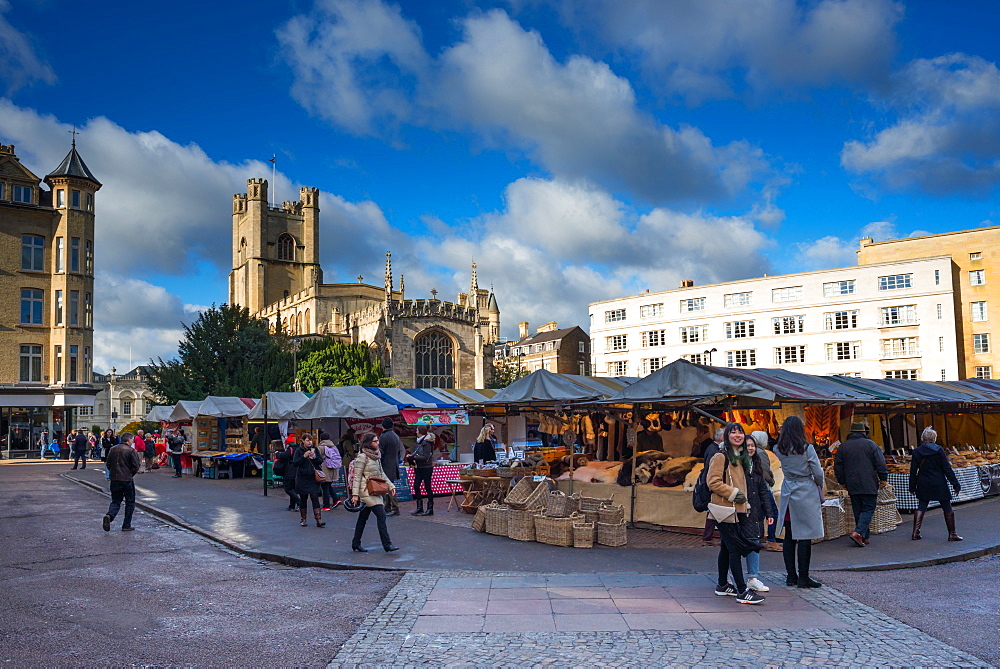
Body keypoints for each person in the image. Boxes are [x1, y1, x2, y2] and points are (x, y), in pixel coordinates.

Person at [706, 423, 765, 605]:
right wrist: (734, 493)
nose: (737, 435)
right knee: (734, 548)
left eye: (740, 432)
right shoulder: (720, 456)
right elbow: (712, 481)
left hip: (736, 508)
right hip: (724, 509)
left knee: (726, 546)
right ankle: (741, 590)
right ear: (727, 436)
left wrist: (745, 504)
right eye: (733, 432)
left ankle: (723, 585)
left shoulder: (742, 458)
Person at [773, 415, 825, 588]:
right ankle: (804, 577)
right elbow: (818, 472)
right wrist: (819, 485)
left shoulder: (778, 449)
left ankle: (790, 576)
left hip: (788, 490)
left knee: (789, 536)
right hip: (805, 491)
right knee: (805, 536)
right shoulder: (806, 448)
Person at [834, 421, 888, 547]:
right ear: (863, 432)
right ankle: (858, 533)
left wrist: (842, 481)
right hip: (869, 482)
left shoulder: (843, 447)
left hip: (851, 483)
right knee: (868, 509)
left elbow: (838, 467)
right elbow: (880, 463)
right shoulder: (871, 445)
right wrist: (883, 479)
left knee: (858, 510)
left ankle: (864, 537)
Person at [909, 427, 963, 541]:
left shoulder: (916, 451)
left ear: (922, 438)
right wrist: (955, 484)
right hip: (939, 481)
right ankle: (952, 533)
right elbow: (947, 468)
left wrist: (912, 487)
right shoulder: (939, 450)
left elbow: (913, 471)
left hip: (923, 481)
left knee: (922, 506)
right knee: (947, 507)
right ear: (934, 438)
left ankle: (915, 532)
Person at [350, 432, 399, 552]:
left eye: (377, 441)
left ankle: (356, 542)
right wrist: (355, 494)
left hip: (375, 491)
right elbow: (357, 476)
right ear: (368, 443)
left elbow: (382, 474)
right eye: (375, 441)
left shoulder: (377, 456)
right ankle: (387, 544)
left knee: (363, 518)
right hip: (366, 491)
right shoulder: (363, 457)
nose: (378, 443)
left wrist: (391, 486)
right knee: (381, 515)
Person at [744, 435, 777, 592]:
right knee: (735, 545)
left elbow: (763, 490)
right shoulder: (736, 465)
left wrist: (769, 512)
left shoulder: (756, 463)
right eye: (747, 445)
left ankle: (752, 577)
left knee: (754, 542)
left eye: (752, 445)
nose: (750, 448)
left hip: (755, 510)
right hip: (740, 510)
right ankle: (731, 577)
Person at [102, 432, 141, 532]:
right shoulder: (131, 451)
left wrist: (113, 473)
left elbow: (108, 464)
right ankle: (126, 525)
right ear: (129, 440)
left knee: (116, 501)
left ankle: (109, 516)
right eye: (132, 440)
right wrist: (130, 474)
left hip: (115, 479)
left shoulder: (113, 449)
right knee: (130, 502)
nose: (133, 441)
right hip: (126, 479)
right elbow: (136, 466)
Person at [749, 430, 781, 550]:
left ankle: (758, 539)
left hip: (755, 487)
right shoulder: (761, 452)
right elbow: (764, 471)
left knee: (761, 514)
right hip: (763, 488)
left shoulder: (750, 450)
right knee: (772, 513)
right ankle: (771, 540)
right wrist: (771, 481)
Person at [293, 432, 325, 527]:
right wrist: (304, 456)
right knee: (303, 499)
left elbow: (320, 461)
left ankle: (318, 520)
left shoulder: (315, 449)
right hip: (302, 478)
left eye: (310, 440)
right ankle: (303, 519)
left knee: (315, 497)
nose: (309, 442)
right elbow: (295, 463)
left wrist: (314, 457)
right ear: (302, 441)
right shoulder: (298, 450)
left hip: (313, 478)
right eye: (307, 440)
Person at [701, 427, 725, 546]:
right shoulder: (714, 450)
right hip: (713, 484)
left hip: (712, 483)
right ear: (722, 438)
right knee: (714, 510)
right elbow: (712, 469)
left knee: (713, 512)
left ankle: (708, 536)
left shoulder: (712, 448)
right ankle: (709, 536)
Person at [378, 418, 403, 517]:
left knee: (389, 487)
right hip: (394, 464)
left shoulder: (383, 436)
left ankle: (394, 508)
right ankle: (388, 507)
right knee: (389, 486)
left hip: (386, 465)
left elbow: (381, 452)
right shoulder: (395, 435)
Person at [411, 425, 436, 516]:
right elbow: (417, 452)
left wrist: (414, 457)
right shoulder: (420, 442)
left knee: (427, 487)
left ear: (420, 431)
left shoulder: (426, 442)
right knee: (416, 485)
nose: (416, 432)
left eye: (417, 430)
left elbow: (425, 457)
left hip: (426, 467)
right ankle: (419, 507)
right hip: (419, 467)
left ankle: (430, 508)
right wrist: (411, 456)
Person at [274, 439, 299, 511]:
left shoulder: (290, 449)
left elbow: (283, 456)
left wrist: (277, 453)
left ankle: (298, 502)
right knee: (293, 488)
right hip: (296, 471)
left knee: (288, 489)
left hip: (290, 471)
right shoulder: (298, 448)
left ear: (288, 444)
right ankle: (292, 506)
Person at [320, 439, 343, 510]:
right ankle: (336, 499)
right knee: (329, 486)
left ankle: (326, 505)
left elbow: (315, 456)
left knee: (325, 488)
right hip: (334, 470)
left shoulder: (321, 447)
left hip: (325, 470)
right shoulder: (334, 447)